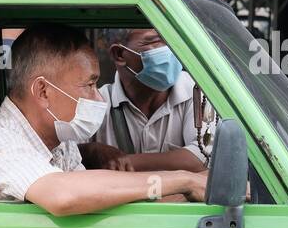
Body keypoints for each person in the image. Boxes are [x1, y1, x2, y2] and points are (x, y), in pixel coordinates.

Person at [0, 23, 205, 214]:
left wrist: (195, 188)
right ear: (43, 91)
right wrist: (182, 180)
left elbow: (99, 198)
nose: (98, 99)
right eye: (89, 85)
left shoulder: (60, 143)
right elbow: (63, 196)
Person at [81, 27, 207, 173]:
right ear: (119, 54)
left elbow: (202, 157)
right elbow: (66, 158)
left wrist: (121, 163)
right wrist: (89, 151)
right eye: (156, 41)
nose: (170, 49)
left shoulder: (197, 92)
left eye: (171, 39)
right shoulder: (96, 103)